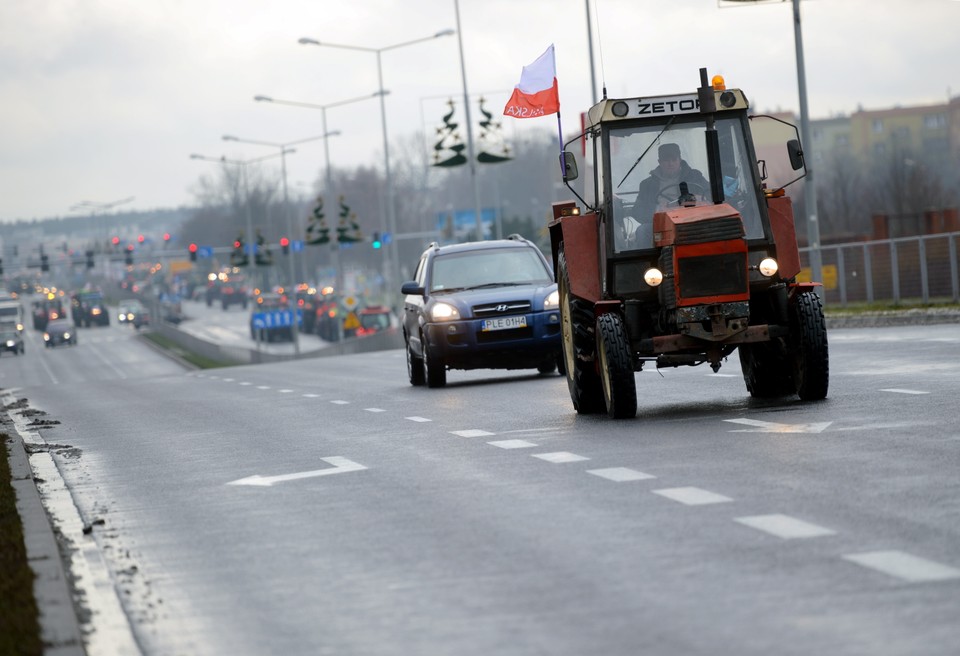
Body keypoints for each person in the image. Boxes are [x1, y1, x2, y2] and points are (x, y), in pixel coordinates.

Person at [634, 142, 709, 221]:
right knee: (642, 230)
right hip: (662, 222)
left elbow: (712, 195)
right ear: (659, 162)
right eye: (666, 160)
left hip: (692, 219)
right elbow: (637, 211)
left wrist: (701, 198)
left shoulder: (695, 176)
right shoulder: (647, 184)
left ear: (680, 160)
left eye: (674, 159)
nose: (671, 163)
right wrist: (657, 209)